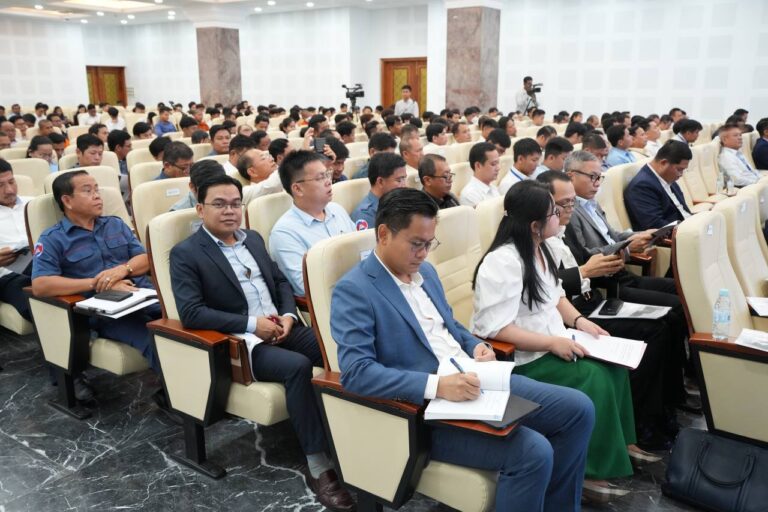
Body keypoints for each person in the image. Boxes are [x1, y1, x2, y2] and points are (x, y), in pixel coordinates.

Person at [332, 187, 594, 511]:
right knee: (533, 451)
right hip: (426, 412)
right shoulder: (354, 290)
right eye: (416, 244)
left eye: (430, 244)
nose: (424, 254)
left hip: (474, 379)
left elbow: (450, 326)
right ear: (384, 234)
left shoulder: (425, 272)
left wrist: (476, 345)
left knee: (578, 409)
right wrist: (438, 386)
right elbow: (357, 374)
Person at [168, 173, 355, 511]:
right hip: (242, 342)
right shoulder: (186, 253)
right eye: (219, 204)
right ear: (200, 209)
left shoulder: (252, 238)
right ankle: (319, 465)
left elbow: (280, 281)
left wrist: (287, 315)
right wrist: (254, 324)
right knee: (297, 366)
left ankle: (353, 436)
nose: (230, 211)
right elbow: (192, 313)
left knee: (337, 348)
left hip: (282, 327)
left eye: (235, 204)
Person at [472, 180, 651, 500]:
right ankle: (590, 471)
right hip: (526, 357)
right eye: (554, 212)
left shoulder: (543, 248)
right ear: (535, 225)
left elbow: (556, 298)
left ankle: (622, 446)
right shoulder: (502, 262)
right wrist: (551, 343)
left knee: (615, 369)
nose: (560, 216)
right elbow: (496, 330)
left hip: (557, 339)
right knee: (594, 378)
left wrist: (581, 322)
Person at [539, 169, 686, 450]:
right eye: (563, 204)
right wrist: (585, 271)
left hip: (590, 301)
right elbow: (545, 287)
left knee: (665, 321)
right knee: (653, 331)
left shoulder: (560, 231)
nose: (569, 209)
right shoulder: (537, 240)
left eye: (572, 202)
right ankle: (642, 427)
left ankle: (661, 411)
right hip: (572, 313)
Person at [562, 153, 692, 416]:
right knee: (669, 314)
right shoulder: (569, 212)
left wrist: (638, 236)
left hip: (618, 273)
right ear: (570, 176)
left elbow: (612, 236)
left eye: (600, 177)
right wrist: (627, 247)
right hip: (606, 282)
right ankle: (664, 399)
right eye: (592, 177)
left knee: (681, 294)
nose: (597, 183)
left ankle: (676, 387)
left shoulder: (590, 204)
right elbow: (585, 257)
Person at [31, 171, 162, 400]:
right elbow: (41, 284)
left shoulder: (115, 224)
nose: (97, 195)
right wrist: (98, 282)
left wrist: (123, 270)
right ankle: (181, 400)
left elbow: (145, 259)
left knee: (187, 323)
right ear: (67, 200)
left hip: (144, 296)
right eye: (87, 191)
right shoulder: (53, 238)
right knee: (155, 340)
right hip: (105, 313)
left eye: (97, 189)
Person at [270, 151, 356, 296]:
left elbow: (361, 253)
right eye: (320, 178)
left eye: (327, 174)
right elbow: (305, 286)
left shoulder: (337, 209)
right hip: (334, 301)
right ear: (298, 189)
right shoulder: (284, 232)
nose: (328, 181)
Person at [624, 141, 693, 230]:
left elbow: (683, 211)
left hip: (686, 226)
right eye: (679, 169)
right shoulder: (641, 186)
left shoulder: (667, 176)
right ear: (664, 163)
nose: (681, 174)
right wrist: (688, 230)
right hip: (674, 234)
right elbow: (656, 226)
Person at [0, 159, 33, 322]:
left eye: (12, 182)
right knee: (38, 303)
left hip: (46, 266)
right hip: (8, 276)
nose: (9, 190)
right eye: (0, 185)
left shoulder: (34, 204)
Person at [351, 152, 407, 230]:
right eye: (399, 180)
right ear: (380, 182)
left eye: (404, 179)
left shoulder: (398, 203)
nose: (404, 185)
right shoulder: (365, 215)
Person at [718, 123, 760, 187]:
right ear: (724, 140)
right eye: (735, 135)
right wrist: (758, 183)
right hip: (747, 187)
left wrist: (762, 179)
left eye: (740, 135)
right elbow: (736, 180)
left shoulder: (738, 153)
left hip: (755, 184)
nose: (740, 138)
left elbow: (752, 171)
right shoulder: (726, 157)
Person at [460, 142, 501, 207]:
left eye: (498, 163)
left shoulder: (493, 188)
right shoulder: (470, 195)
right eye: (493, 164)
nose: (498, 168)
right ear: (478, 165)